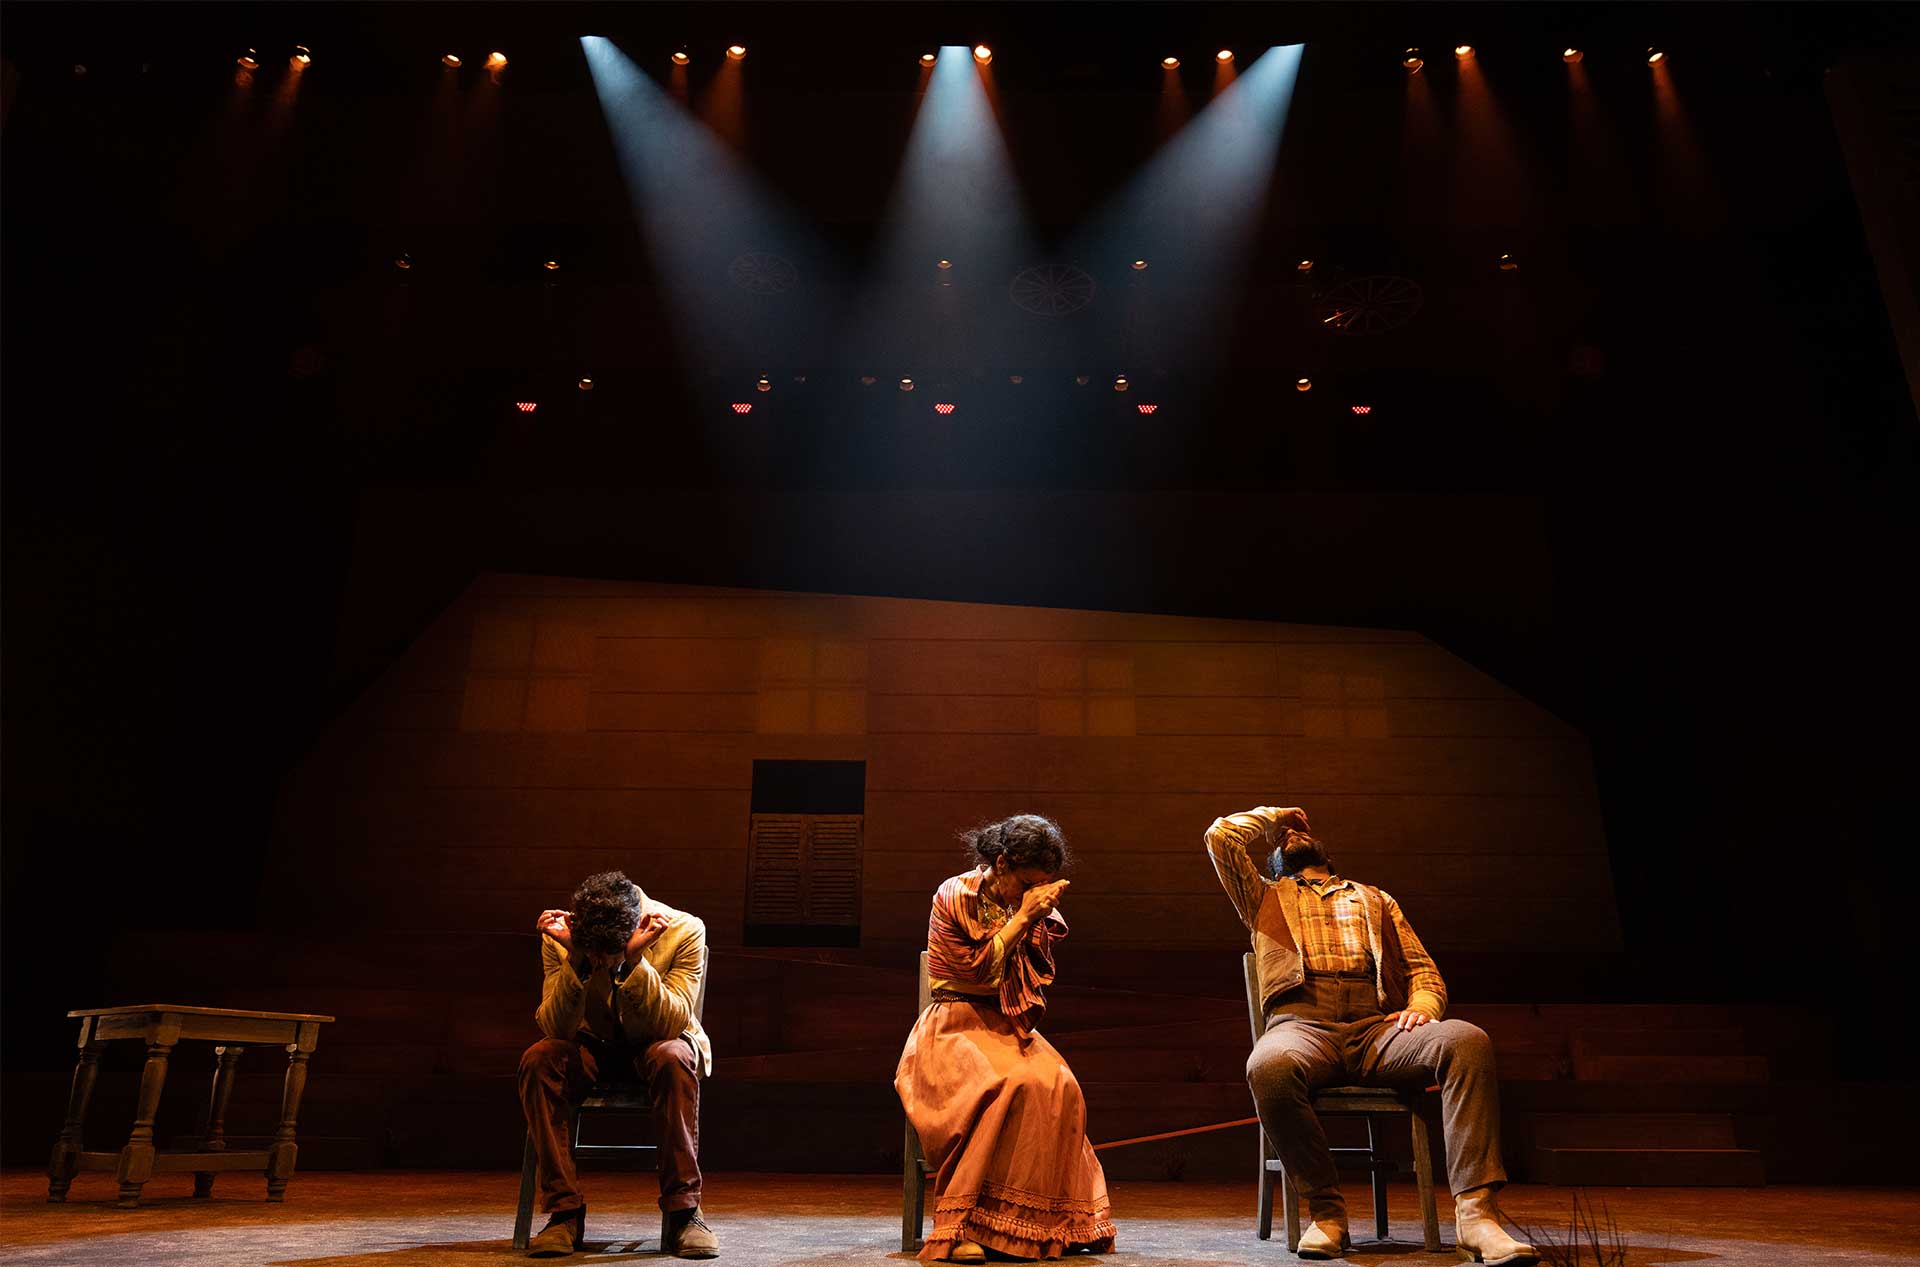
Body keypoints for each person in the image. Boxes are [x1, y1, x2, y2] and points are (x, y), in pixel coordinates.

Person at [1205, 805, 1536, 1265]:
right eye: (1283, 842)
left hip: (1376, 1027)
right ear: (1275, 861)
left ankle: (1476, 1215)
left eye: (1298, 834)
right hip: (1302, 1025)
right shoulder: (1264, 896)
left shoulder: (1375, 899)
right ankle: (1327, 1212)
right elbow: (1220, 837)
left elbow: (1423, 972)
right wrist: (1276, 816)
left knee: (1466, 1040)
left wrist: (1422, 1007)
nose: (1293, 837)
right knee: (1268, 1066)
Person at [895, 815, 1118, 1264]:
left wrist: (1032, 916)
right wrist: (1024, 917)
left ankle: (1038, 1224)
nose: (1034, 892)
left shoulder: (1028, 906)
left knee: (1060, 1085)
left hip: (1004, 1024)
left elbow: (1031, 979)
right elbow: (979, 972)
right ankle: (965, 1225)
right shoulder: (956, 895)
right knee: (1009, 1085)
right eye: (1028, 881)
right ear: (1001, 863)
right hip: (952, 1023)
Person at [518, 871, 719, 1259]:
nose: (601, 964)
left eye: (606, 956)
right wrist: (576, 961)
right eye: (595, 956)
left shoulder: (683, 929)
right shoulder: (564, 937)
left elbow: (673, 1022)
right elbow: (554, 1026)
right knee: (539, 1059)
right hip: (590, 1043)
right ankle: (564, 1213)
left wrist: (634, 962)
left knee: (674, 1058)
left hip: (655, 1041)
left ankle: (685, 1213)